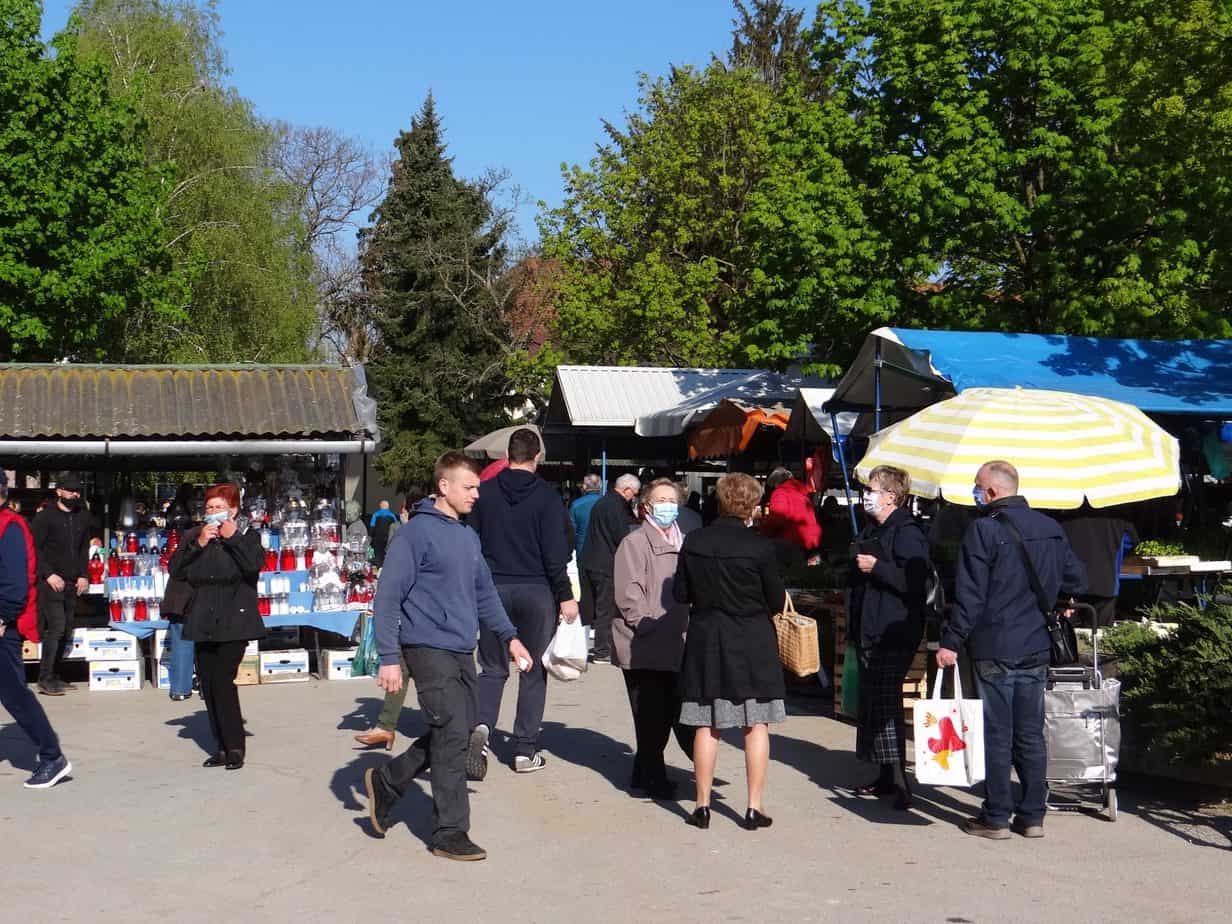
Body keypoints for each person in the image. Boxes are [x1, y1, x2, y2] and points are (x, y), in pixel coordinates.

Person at [363, 452, 532, 862]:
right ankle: (450, 831)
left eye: (477, 487)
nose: (477, 495)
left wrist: (510, 637)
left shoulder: (467, 536)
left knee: (451, 731)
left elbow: (484, 593)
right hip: (426, 647)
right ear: (444, 486)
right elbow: (387, 597)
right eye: (469, 487)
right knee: (455, 734)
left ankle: (388, 780)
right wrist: (388, 656)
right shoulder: (415, 534)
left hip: (461, 647)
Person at [937, 460, 1087, 840]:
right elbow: (1077, 577)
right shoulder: (1050, 527)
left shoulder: (983, 531)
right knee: (1031, 733)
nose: (974, 493)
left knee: (998, 733)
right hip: (1036, 643)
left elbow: (969, 596)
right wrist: (1064, 598)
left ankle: (997, 816)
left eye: (977, 487)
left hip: (994, 645)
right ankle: (1033, 815)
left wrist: (951, 641)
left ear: (991, 491)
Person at [673, 473, 786, 831]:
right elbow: (774, 599)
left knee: (707, 724)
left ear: (719, 500)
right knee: (756, 725)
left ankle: (702, 805)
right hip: (752, 640)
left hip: (708, 638)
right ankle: (753, 807)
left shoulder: (694, 541)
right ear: (753, 505)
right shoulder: (761, 547)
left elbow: (680, 594)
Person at [471, 428, 578, 773]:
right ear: (537, 457)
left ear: (507, 455)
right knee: (532, 671)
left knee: (491, 668)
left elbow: (471, 541)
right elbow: (556, 553)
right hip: (537, 591)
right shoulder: (548, 497)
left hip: (492, 590)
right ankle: (523, 749)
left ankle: (482, 729)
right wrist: (565, 596)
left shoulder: (484, 493)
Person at [848, 466, 931, 810]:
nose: (866, 495)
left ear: (891, 497)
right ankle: (885, 776)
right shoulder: (874, 528)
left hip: (893, 630)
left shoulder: (908, 533)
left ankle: (900, 782)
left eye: (872, 489)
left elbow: (916, 583)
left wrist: (876, 568)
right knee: (874, 702)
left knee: (886, 704)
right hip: (871, 627)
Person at [170, 483, 266, 770]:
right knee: (208, 685)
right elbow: (176, 569)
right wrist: (198, 543)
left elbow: (253, 566)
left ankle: (235, 746)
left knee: (223, 681)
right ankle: (220, 746)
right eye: (209, 508)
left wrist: (233, 537)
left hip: (234, 619)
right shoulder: (194, 537)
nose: (212, 513)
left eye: (218, 507)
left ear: (233, 510)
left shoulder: (247, 536)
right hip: (202, 618)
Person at [613, 479, 692, 799]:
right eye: (660, 499)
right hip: (643, 640)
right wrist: (645, 623)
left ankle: (642, 771)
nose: (667, 505)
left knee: (665, 707)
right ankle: (652, 777)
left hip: (675, 638)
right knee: (650, 712)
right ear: (645, 505)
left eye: (672, 500)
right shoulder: (634, 542)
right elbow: (628, 593)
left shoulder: (683, 541)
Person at [0, 478, 72, 789]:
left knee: (15, 694)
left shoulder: (10, 527)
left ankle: (52, 756)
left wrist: (3, 617)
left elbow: (17, 580)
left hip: (5, 625)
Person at [31, 472, 90, 695]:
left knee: (66, 628)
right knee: (55, 627)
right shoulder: (45, 517)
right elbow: (34, 549)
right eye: (70, 490)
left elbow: (84, 548)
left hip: (72, 581)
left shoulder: (82, 516)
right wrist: (48, 574)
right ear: (59, 491)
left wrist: (84, 575)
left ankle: (56, 674)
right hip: (50, 582)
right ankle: (44, 677)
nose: (74, 494)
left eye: (77, 491)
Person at [580, 473, 641, 663]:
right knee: (605, 608)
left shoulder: (602, 502)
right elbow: (621, 536)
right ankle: (601, 650)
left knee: (590, 607)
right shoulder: (616, 506)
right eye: (635, 493)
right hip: (605, 563)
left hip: (590, 559)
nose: (634, 497)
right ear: (627, 489)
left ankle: (585, 647)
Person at [1059, 505, 1138, 627]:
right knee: (1101, 635)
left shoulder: (1064, 519)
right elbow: (1130, 542)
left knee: (1069, 636)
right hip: (1106, 583)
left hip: (1072, 585)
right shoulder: (1118, 519)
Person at [761, 467, 822, 553]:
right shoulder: (803, 493)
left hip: (792, 541)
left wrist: (763, 532)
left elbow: (776, 518)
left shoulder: (780, 492)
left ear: (776, 482)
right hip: (811, 541)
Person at [569, 474, 603, 563]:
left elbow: (571, 531)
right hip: (604, 552)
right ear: (600, 486)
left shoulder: (576, 505)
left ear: (584, 487)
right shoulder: (608, 504)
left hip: (583, 550)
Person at [369, 500, 398, 566]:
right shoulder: (392, 515)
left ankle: (377, 568)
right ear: (388, 507)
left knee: (377, 556)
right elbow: (396, 527)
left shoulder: (375, 514)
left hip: (377, 539)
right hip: (388, 539)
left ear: (380, 506)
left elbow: (372, 527)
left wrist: (370, 537)